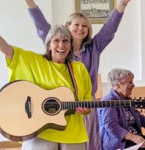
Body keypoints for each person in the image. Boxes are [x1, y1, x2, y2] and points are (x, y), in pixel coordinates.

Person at [0, 8, 92, 150]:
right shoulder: (34, 61)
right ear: (49, 45)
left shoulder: (79, 68)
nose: (61, 45)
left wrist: (85, 108)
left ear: (70, 45)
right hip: (39, 134)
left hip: (73, 136)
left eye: (66, 41)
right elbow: (5, 48)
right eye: (56, 40)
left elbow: (87, 99)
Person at [24, 0, 132, 149]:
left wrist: (122, 5)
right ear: (67, 26)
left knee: (89, 145)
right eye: (76, 24)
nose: (80, 28)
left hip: (87, 106)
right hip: (63, 107)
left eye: (85, 26)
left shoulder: (94, 47)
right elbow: (41, 27)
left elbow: (109, 30)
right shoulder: (57, 46)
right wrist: (29, 2)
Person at [97, 68, 145, 150]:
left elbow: (137, 116)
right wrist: (133, 137)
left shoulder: (126, 99)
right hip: (119, 143)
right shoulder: (108, 101)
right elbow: (111, 126)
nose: (133, 85)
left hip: (134, 138)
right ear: (118, 85)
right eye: (130, 82)